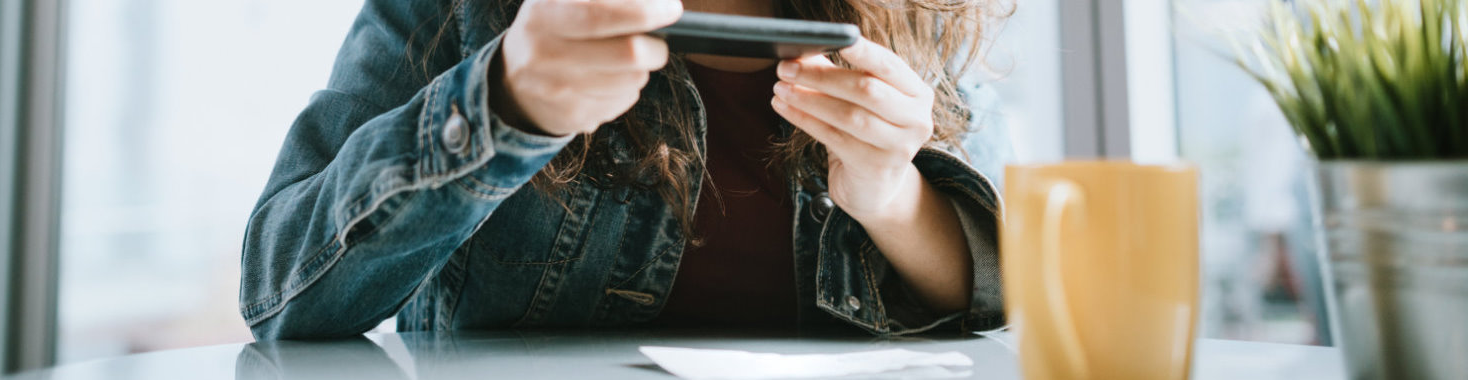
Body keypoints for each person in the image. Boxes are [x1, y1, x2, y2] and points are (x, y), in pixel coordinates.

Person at [239, 0, 1013, 340]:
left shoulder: (913, 12)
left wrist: (891, 195)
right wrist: (501, 105)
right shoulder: (463, 6)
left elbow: (1005, 294)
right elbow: (283, 292)